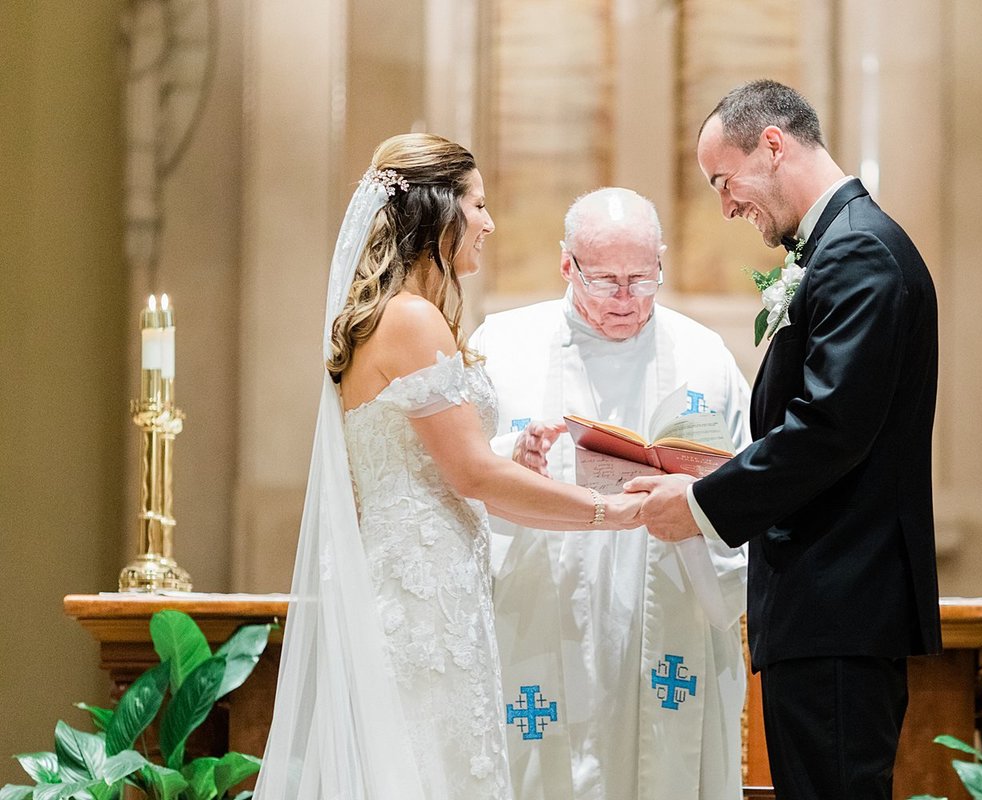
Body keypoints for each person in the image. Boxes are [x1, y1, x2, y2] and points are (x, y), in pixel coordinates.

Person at [254, 134, 643, 800]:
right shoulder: (412, 320)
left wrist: (502, 455)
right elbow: (471, 481)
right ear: (438, 210)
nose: (489, 224)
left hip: (426, 581)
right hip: (423, 596)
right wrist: (612, 511)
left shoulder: (391, 318)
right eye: (478, 204)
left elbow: (432, 465)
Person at [629, 80, 942, 799]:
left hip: (840, 601)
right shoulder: (841, 248)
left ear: (772, 145)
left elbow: (828, 430)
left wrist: (704, 502)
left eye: (723, 181)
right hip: (828, 604)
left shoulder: (858, 252)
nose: (726, 205)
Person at [469, 187, 750, 800]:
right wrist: (514, 459)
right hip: (541, 596)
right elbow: (456, 471)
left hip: (669, 587)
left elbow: (748, 487)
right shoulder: (503, 346)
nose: (626, 299)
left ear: (662, 264)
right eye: (604, 281)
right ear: (566, 264)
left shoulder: (705, 356)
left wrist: (698, 496)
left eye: (643, 279)